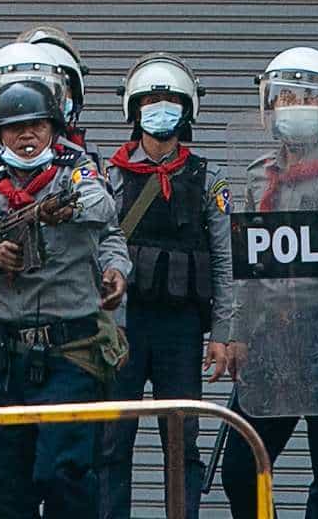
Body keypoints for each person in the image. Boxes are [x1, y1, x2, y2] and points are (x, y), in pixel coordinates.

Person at [0, 40, 128, 519]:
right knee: (1, 482)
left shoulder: (79, 171)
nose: (27, 137)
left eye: (37, 127)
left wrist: (57, 210)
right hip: (3, 355)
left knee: (65, 474)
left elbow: (105, 212)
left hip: (70, 353)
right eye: (15, 129)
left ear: (54, 128)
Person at [221, 47, 318, 519]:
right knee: (239, 468)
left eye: (306, 96)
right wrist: (237, 336)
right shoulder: (257, 178)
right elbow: (248, 272)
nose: (295, 106)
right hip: (273, 340)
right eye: (285, 96)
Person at [98, 52, 232, 519]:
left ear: (187, 108)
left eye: (170, 100)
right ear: (134, 109)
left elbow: (223, 264)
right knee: (111, 442)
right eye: (151, 100)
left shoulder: (208, 179)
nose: (160, 108)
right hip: (122, 328)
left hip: (181, 330)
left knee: (182, 443)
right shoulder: (110, 177)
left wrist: (222, 333)